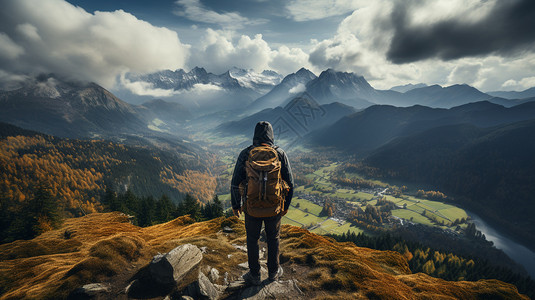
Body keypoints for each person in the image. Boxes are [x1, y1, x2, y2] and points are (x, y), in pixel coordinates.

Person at [230, 121, 294, 285]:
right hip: (274, 208)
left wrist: (236, 205)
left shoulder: (246, 153)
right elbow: (291, 183)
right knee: (273, 238)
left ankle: (255, 275)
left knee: (252, 239)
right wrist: (285, 206)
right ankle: (273, 273)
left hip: (252, 208)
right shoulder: (279, 153)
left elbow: (235, 181)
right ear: (271, 136)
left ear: (255, 136)